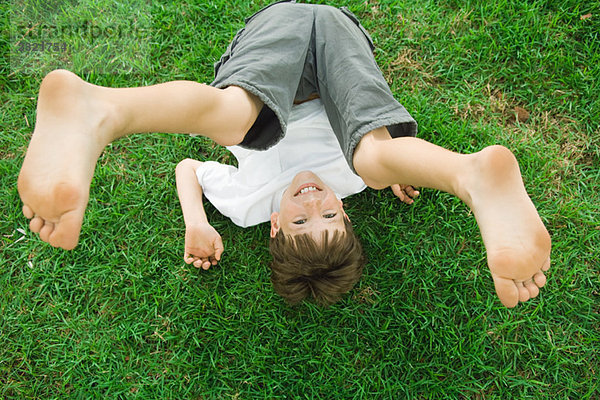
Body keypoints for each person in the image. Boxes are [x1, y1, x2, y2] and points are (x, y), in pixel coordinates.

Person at [17, 1, 551, 308]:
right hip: (339, 46)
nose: (316, 197)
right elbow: (374, 167)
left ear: (274, 224)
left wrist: (196, 222)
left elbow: (188, 169)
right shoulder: (353, 182)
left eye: (302, 218)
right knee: (372, 154)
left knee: (232, 119)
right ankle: (467, 174)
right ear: (345, 212)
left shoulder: (248, 204)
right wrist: (396, 177)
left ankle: (106, 111)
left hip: (279, 41)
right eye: (332, 214)